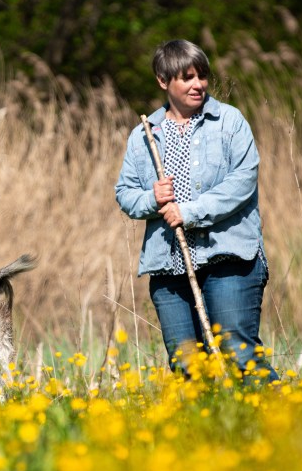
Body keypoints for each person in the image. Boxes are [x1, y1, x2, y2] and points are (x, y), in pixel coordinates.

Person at [115, 39, 279, 383]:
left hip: (229, 258)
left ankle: (279, 427)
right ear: (163, 81)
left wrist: (188, 212)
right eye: (187, 77)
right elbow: (125, 193)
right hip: (168, 265)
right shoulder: (144, 135)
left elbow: (242, 182)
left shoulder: (230, 122)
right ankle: (202, 433)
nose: (197, 84)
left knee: (239, 353)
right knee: (187, 367)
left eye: (202, 76)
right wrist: (152, 199)